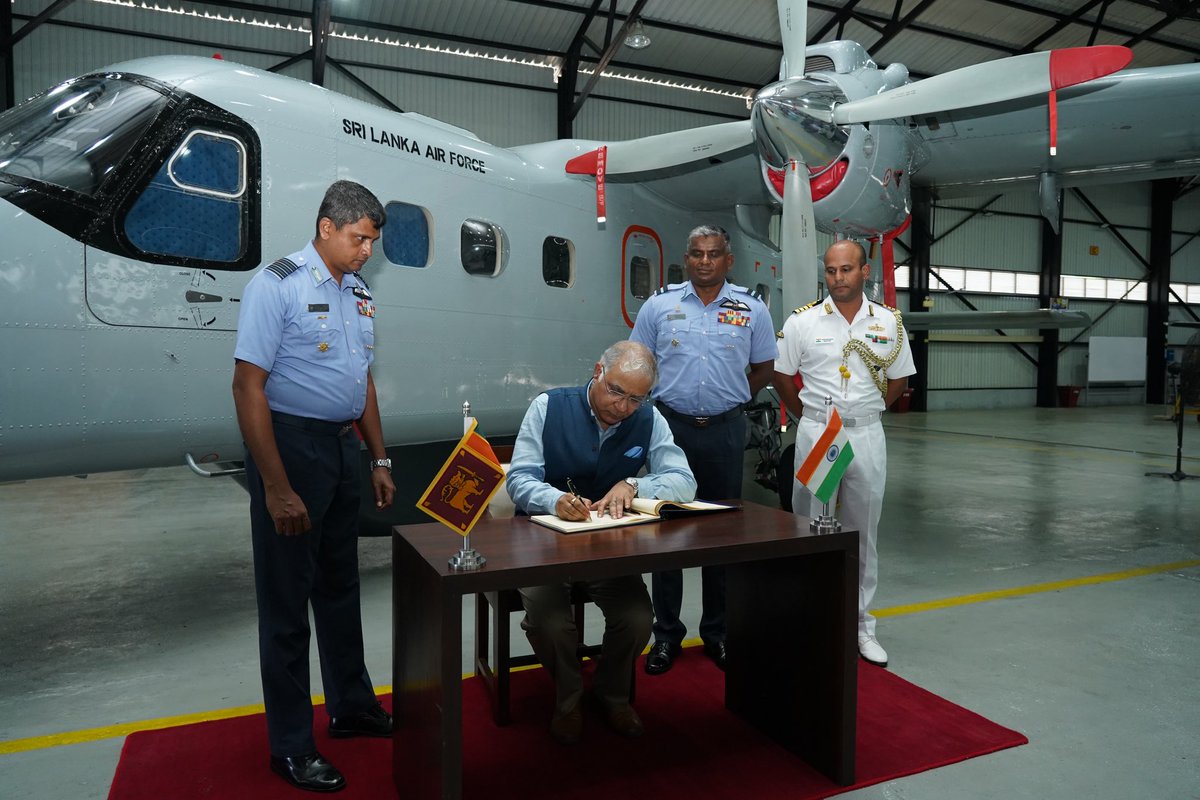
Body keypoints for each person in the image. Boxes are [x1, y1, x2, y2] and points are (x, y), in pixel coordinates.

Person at [232, 180, 395, 793]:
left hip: (340, 447)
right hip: (291, 448)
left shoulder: (357, 292)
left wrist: (380, 458)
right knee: (285, 604)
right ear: (327, 227)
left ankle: (351, 707)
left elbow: (364, 381)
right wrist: (275, 488)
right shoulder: (277, 285)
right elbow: (248, 388)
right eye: (360, 240)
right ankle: (292, 746)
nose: (366, 253)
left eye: (371, 243)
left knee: (339, 586)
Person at [506, 340, 697, 745]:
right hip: (540, 544)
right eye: (615, 391)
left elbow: (684, 481)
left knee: (638, 618)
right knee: (551, 623)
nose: (623, 407)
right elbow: (519, 478)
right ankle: (568, 702)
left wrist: (634, 483)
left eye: (635, 398)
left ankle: (612, 696)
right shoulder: (549, 407)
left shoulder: (648, 417)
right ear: (597, 371)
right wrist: (553, 500)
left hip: (607, 547)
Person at [629, 224, 777, 676]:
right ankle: (666, 637)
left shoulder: (752, 310)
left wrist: (733, 398)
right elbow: (637, 363)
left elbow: (765, 367)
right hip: (669, 430)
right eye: (696, 254)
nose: (705, 261)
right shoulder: (659, 306)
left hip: (725, 432)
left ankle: (717, 633)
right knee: (666, 530)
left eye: (714, 253)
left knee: (719, 533)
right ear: (686, 258)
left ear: (728, 259)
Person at [772, 239, 915, 668]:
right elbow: (781, 376)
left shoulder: (889, 322)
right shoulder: (803, 322)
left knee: (861, 532)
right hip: (819, 433)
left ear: (865, 271)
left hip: (866, 436)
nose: (838, 278)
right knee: (810, 528)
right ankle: (808, 618)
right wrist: (808, 418)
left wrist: (867, 413)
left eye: (847, 270)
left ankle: (860, 626)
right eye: (831, 271)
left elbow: (899, 381)